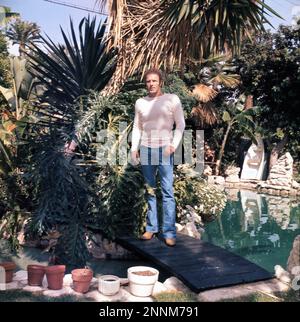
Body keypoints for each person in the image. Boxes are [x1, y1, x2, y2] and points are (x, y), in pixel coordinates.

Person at [131, 68, 185, 246]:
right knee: (150, 190)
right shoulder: (140, 102)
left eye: (154, 80)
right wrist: (134, 148)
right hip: (146, 149)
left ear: (160, 81)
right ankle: (151, 228)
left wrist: (173, 145)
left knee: (167, 191)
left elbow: (180, 124)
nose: (151, 84)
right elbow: (137, 127)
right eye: (148, 81)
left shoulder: (172, 99)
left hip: (165, 149)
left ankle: (169, 232)